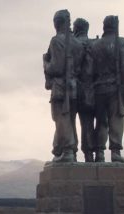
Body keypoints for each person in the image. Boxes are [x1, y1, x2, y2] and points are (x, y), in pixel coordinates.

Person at [91, 15, 124, 163]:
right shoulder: (121, 43)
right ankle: (115, 152)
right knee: (116, 120)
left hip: (98, 89)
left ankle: (100, 153)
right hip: (115, 89)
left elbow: (90, 71)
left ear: (104, 27)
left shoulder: (95, 46)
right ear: (116, 26)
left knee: (101, 122)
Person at [43, 9, 84, 162]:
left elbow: (56, 67)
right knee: (69, 119)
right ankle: (66, 150)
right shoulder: (78, 43)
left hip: (61, 87)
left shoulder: (56, 41)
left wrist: (46, 64)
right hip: (75, 87)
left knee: (61, 118)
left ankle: (67, 151)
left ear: (56, 23)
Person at [73, 18, 96, 162]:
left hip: (74, 87)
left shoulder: (72, 44)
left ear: (76, 29)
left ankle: (70, 153)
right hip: (90, 89)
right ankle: (89, 154)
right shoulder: (95, 44)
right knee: (87, 123)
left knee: (69, 121)